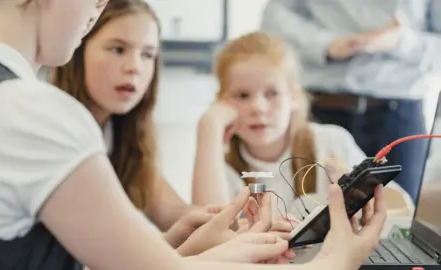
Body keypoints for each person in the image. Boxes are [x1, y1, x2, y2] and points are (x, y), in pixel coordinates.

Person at [0, 0, 388, 269]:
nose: (97, 6)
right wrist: (336, 261)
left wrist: (182, 250)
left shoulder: (2, 99)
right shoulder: (27, 111)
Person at [49, 0, 293, 252]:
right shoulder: (55, 129)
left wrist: (249, 227)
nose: (134, 67)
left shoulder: (122, 135)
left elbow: (175, 212)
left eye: (148, 55)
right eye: (117, 49)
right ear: (78, 48)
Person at [192, 31, 413, 219]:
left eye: (272, 93)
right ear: (221, 103)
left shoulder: (331, 142)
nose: (258, 107)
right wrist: (209, 128)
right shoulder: (218, 160)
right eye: (242, 95)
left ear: (294, 97)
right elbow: (208, 228)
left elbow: (404, 209)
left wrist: (358, 195)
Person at [258, 0, 441, 202]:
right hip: (320, 109)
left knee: (401, 220)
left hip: (398, 117)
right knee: (310, 216)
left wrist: (402, 41)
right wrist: (325, 44)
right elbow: (274, 18)